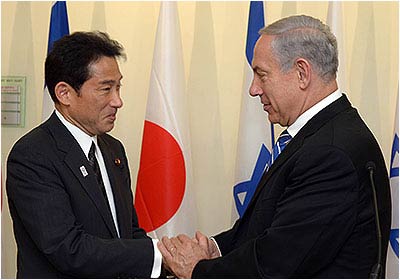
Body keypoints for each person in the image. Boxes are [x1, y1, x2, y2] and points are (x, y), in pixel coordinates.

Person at [158, 15, 392, 278]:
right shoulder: (322, 136)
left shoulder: (330, 153)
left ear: (302, 73)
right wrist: (215, 248)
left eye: (261, 74)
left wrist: (198, 270)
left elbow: (276, 264)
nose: (253, 89)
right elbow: (269, 228)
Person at [6, 31, 162, 278]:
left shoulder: (113, 150)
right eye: (106, 89)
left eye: (118, 87)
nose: (118, 101)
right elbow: (69, 249)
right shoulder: (32, 156)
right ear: (65, 93)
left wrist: (165, 262)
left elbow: (127, 232)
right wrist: (160, 255)